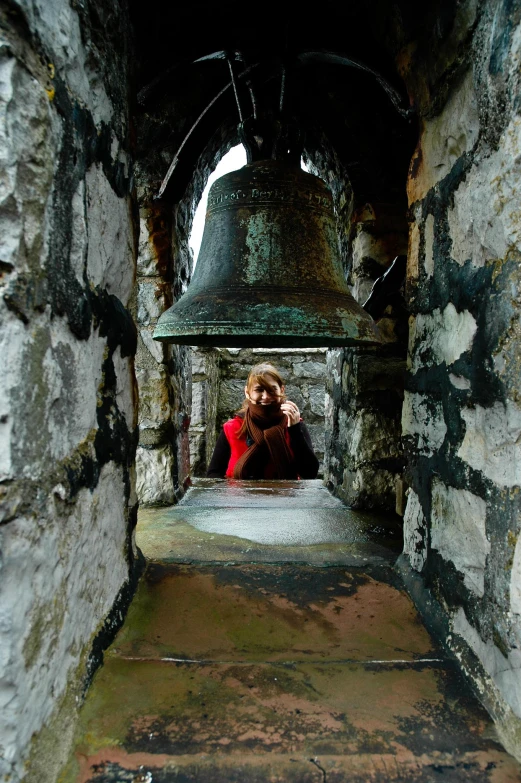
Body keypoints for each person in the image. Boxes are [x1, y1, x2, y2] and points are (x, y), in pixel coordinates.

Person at [206, 363, 319, 480]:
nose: (265, 396)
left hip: (284, 497)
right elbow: (214, 474)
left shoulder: (294, 425)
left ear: (282, 389)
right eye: (259, 390)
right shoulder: (233, 428)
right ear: (247, 393)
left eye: (272, 390)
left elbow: (309, 473)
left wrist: (295, 430)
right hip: (239, 497)